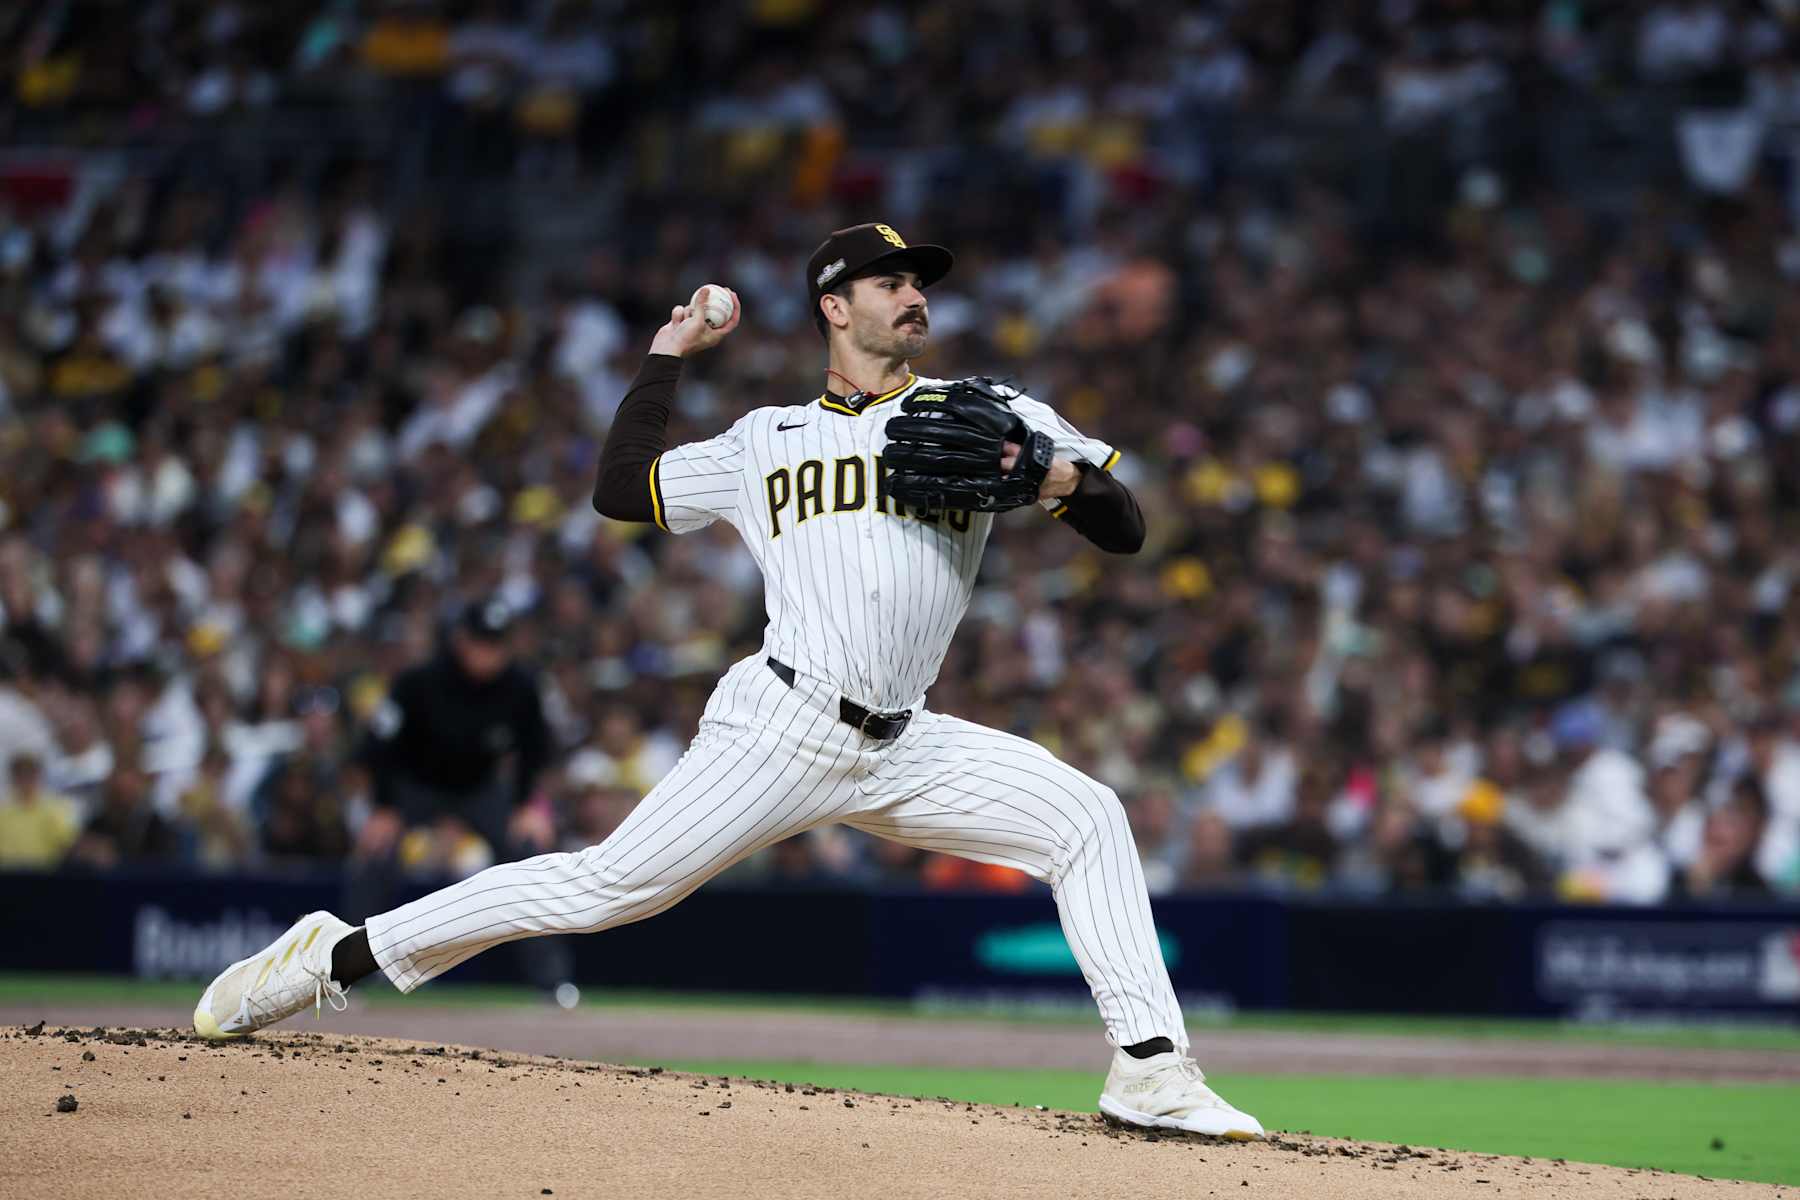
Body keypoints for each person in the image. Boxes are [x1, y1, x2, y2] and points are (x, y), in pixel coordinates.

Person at [192, 222, 1263, 1140]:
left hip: (908, 740)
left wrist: (1054, 477)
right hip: (782, 725)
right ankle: (338, 954)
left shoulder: (988, 410)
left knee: (1087, 816)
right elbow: (621, 490)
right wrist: (667, 353)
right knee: (606, 889)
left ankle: (1153, 1072)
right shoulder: (766, 440)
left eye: (920, 281)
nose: (916, 295)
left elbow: (1125, 527)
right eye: (892, 282)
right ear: (834, 306)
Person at [342, 597, 571, 993]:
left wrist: (525, 805)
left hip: (480, 789)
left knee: (529, 857)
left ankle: (552, 981)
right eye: (482, 642)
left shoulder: (521, 686)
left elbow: (534, 750)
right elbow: (379, 747)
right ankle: (345, 974)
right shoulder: (417, 682)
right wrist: (383, 807)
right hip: (416, 786)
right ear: (462, 640)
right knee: (375, 855)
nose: (489, 653)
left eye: (497, 644)